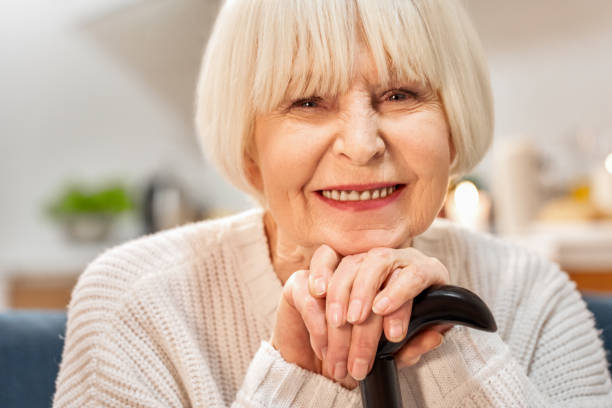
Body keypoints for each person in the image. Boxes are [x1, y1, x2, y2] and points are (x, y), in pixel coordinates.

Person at [53, 0, 612, 406]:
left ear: (453, 126)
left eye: (400, 95)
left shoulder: (532, 295)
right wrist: (295, 378)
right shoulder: (136, 305)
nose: (363, 145)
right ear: (251, 150)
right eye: (307, 101)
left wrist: (449, 334)